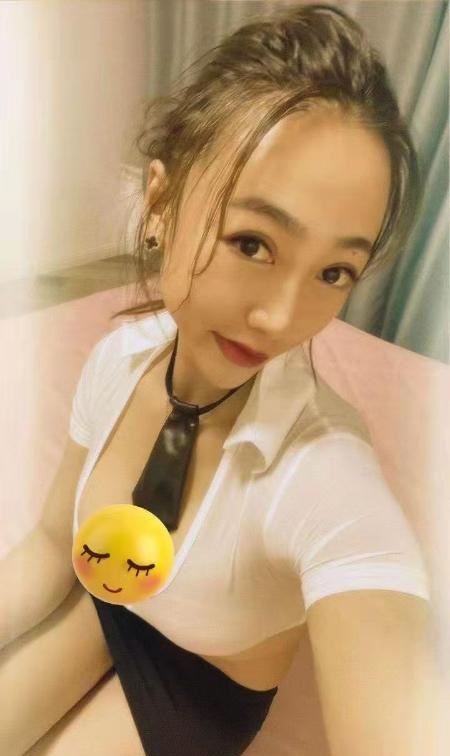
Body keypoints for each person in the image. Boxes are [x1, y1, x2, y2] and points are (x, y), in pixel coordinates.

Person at [0, 4, 439, 755]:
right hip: (109, 596)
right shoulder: (119, 359)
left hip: (201, 680)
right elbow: (48, 544)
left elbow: (389, 663)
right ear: (161, 204)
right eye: (253, 243)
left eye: (335, 272)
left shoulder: (322, 471)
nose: (281, 318)